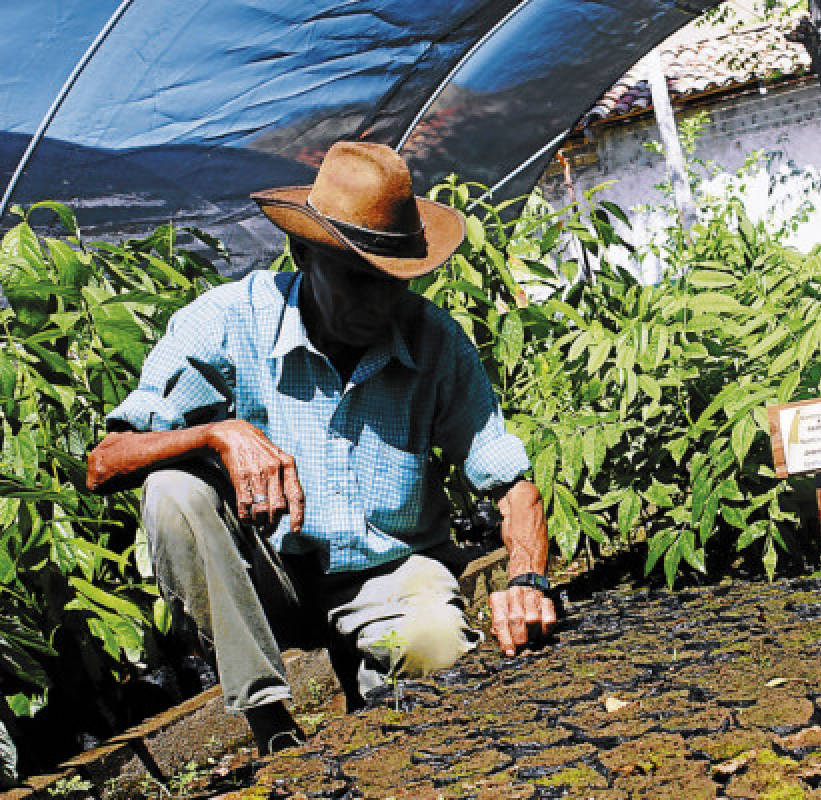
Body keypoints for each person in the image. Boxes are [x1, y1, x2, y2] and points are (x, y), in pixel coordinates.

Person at [86, 142, 557, 756]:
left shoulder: (435, 343)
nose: (378, 303)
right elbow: (105, 461)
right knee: (173, 489)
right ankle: (270, 724)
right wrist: (217, 433)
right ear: (304, 253)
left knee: (438, 656)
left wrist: (528, 579)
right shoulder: (230, 320)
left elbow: (512, 483)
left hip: (387, 565)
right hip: (267, 577)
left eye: (393, 282)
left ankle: (375, 692)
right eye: (357, 279)